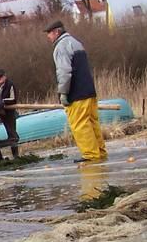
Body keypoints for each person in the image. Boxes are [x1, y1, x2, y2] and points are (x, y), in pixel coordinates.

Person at [44, 20, 107, 163]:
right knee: (92, 123)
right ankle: (100, 153)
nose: (48, 37)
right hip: (89, 92)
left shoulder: (60, 47)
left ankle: (91, 156)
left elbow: (64, 72)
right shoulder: (76, 43)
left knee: (80, 125)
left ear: (56, 32)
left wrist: (63, 93)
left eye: (49, 34)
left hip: (76, 94)